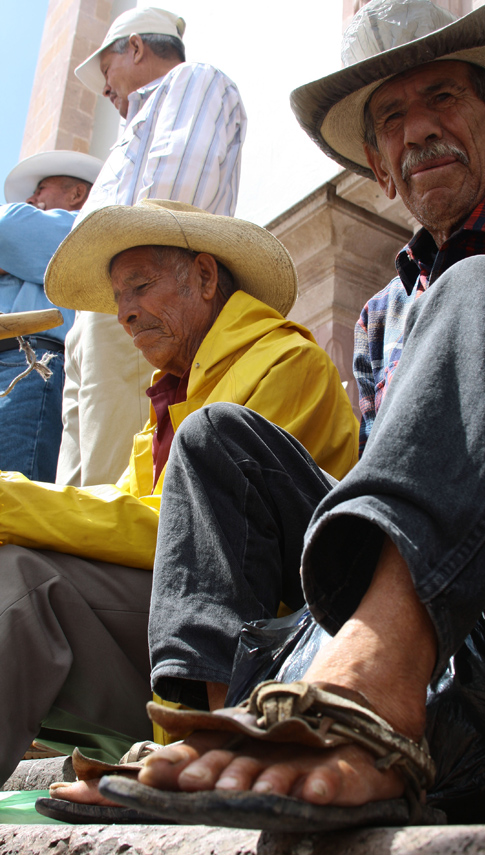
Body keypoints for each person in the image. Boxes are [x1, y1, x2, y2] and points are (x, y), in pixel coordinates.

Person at [51, 0, 485, 829]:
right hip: (421, 602)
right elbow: (379, 489)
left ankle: (375, 692)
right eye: (393, 119)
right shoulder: (379, 316)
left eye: (444, 100)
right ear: (378, 162)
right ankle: (209, 725)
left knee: (481, 288)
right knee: (216, 438)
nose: (420, 131)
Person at [0, 197, 358, 788]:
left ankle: (200, 739)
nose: (127, 314)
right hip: (177, 642)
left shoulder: (287, 362)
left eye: (140, 287)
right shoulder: (167, 399)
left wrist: (13, 503)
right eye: (119, 300)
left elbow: (185, 535)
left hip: (269, 652)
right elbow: (130, 524)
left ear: (205, 276)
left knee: (19, 580)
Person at [57, 6, 247, 488]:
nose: (105, 87)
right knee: (75, 485)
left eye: (106, 69)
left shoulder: (192, 81)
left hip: (140, 294)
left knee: (110, 483)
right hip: (103, 311)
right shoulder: (136, 123)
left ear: (136, 47)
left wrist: (135, 289)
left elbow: (172, 201)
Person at [0, 150, 102, 480]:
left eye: (42, 189)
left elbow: (6, 226)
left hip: (28, 362)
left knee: (15, 499)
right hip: (19, 363)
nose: (32, 199)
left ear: (77, 194)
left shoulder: (80, 227)